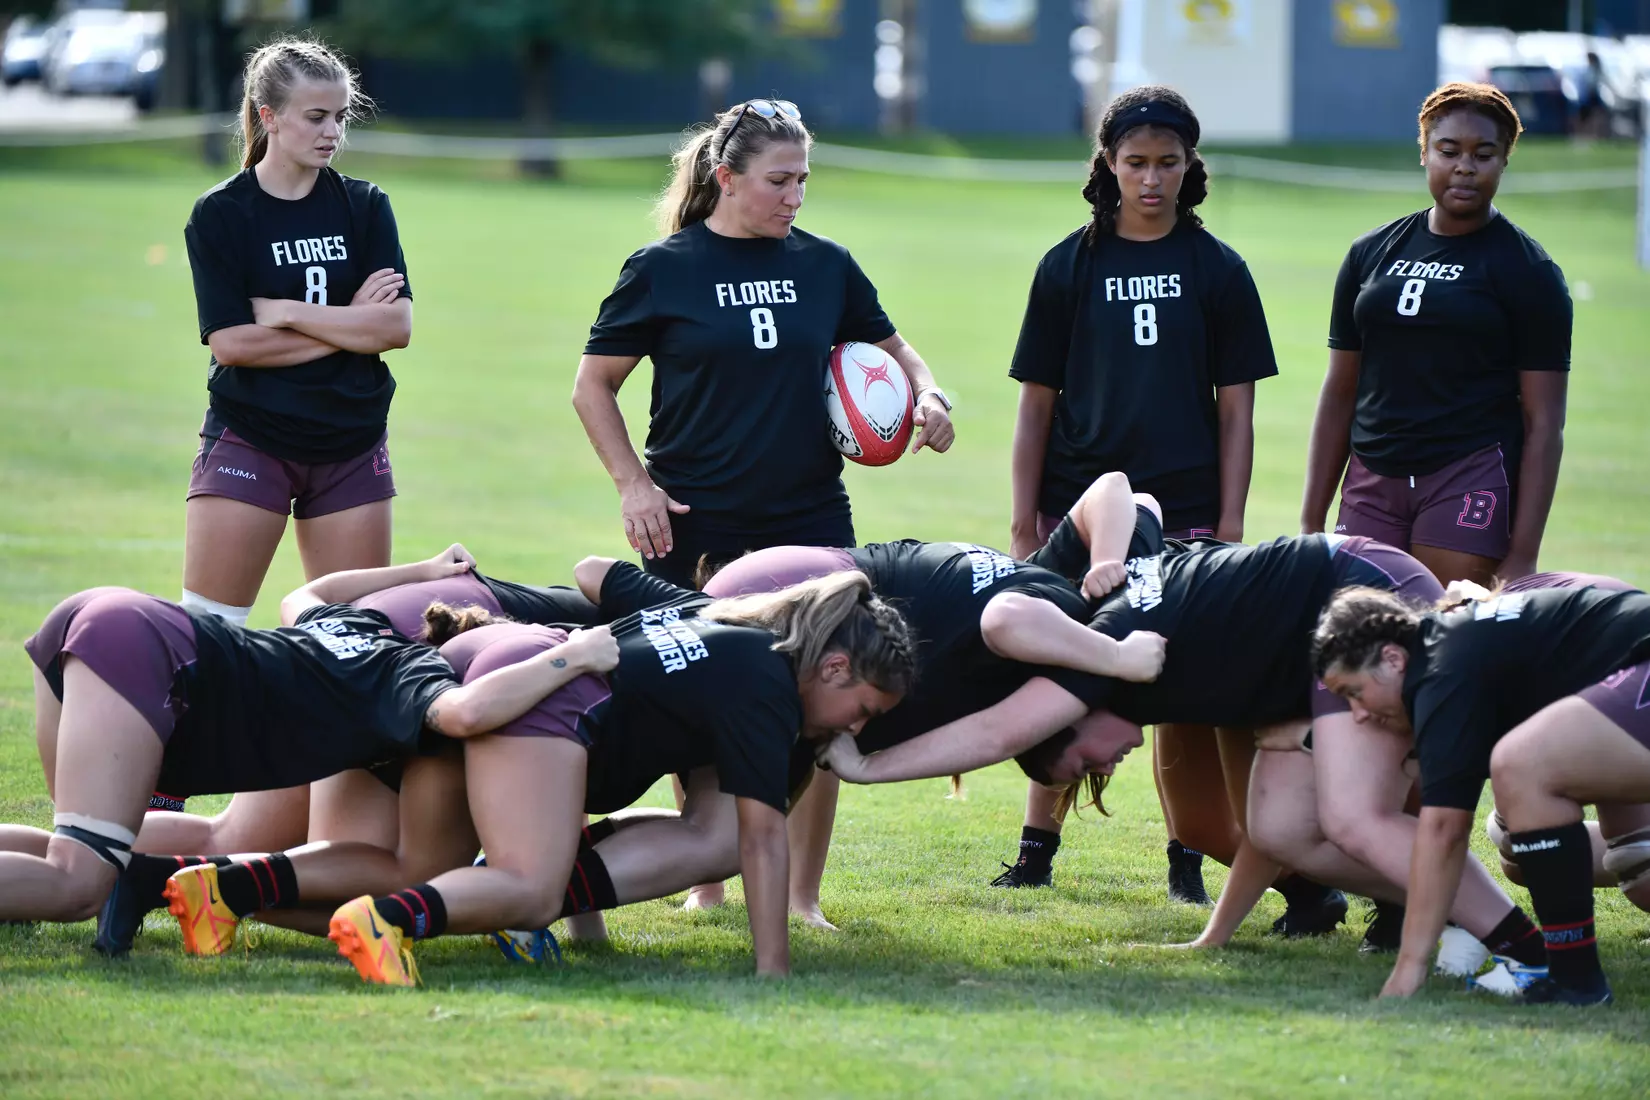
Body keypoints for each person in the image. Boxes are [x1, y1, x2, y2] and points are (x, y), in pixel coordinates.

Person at [819, 502, 1544, 972]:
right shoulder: (1122, 663)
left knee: (1354, 815)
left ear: (1064, 719)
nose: (1109, 762)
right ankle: (1488, 917)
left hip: (1349, 593)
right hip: (1312, 642)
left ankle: (1526, 947)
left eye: (1080, 761)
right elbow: (1138, 507)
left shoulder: (1102, 659)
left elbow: (992, 732)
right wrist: (1214, 936)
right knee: (1284, 824)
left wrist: (865, 765)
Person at [168, 565, 918, 984]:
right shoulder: (767, 686)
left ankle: (225, 887)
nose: (856, 725)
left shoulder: (729, 625)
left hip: (497, 661)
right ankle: (385, 922)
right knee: (524, 889)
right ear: (834, 665)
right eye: (863, 706)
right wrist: (773, 973)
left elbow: (599, 575)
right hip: (544, 692)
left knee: (423, 864)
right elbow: (758, 840)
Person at [608, 471, 1169, 926]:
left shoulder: (1057, 647)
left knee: (724, 823)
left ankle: (571, 866)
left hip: (796, 590)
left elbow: (1135, 500)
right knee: (727, 821)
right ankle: (562, 879)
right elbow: (1114, 495)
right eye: (1096, 762)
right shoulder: (1090, 637)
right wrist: (1108, 589)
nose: (1117, 757)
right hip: (803, 599)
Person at [3, 547, 608, 925]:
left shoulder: (358, 618)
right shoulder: (408, 670)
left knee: (74, 847)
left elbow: (306, 594)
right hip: (152, 655)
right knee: (78, 885)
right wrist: (572, 658)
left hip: (106, 616)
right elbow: (466, 715)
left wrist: (423, 570)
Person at [1000, 85, 1277, 903]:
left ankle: (1186, 850)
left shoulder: (1219, 269)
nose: (1151, 179)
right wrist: (1024, 519)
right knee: (1057, 665)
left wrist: (1227, 523)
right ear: (1107, 165)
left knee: (1177, 680)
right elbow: (1035, 405)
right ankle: (1035, 847)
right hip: (1075, 507)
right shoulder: (1069, 265)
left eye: (1167, 163)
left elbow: (1238, 414)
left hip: (1186, 510)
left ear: (1191, 166)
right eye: (1135, 163)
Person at [148, 37, 417, 863]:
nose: (332, 131)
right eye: (315, 117)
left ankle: (305, 818)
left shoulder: (364, 206)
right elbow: (231, 344)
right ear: (268, 117)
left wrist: (288, 314)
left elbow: (396, 328)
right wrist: (344, 325)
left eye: (340, 116)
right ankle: (154, 808)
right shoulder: (223, 214)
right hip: (251, 440)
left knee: (346, 637)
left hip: (349, 445)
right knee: (210, 641)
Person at [572, 97, 954, 590]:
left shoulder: (827, 265)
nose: (794, 197)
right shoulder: (660, 269)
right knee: (713, 664)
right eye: (778, 181)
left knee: (825, 660)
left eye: (801, 181)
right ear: (726, 179)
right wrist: (634, 487)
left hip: (811, 517)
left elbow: (897, 351)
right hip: (695, 521)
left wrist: (929, 395)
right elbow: (592, 387)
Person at [1313, 580, 1650, 1005]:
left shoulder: (1440, 671)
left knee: (1522, 765)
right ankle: (1572, 979)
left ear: (1394, 658)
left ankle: (1574, 981)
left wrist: (1410, 965)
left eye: (1355, 693)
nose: (1358, 715)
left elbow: (1444, 832)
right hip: (1631, 673)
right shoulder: (1448, 646)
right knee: (1526, 820)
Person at [1301, 83, 1570, 591]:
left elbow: (1544, 423)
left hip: (1465, 476)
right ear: (1424, 152)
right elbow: (1340, 389)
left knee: (1442, 637)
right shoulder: (1369, 253)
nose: (1465, 166)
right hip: (1372, 478)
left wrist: (1524, 554)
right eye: (1449, 151)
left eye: (1483, 154)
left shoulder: (1529, 271)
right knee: (1356, 641)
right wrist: (1310, 523)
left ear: (1504, 161)